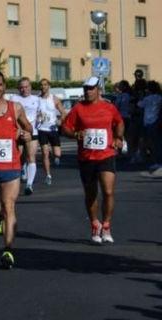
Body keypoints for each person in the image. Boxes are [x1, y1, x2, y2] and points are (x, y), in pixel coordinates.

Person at [62, 76, 124, 244]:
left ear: (98, 90)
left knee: (108, 191)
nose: (88, 91)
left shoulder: (109, 107)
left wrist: (118, 137)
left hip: (106, 155)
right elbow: (65, 127)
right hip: (86, 157)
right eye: (85, 89)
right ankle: (94, 223)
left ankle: (106, 225)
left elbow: (119, 122)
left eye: (91, 88)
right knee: (91, 194)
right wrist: (75, 134)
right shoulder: (78, 108)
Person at [0, 71, 33, 269]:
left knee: (9, 205)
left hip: (11, 165)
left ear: (4, 86)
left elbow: (28, 128)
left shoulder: (15, 108)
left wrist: (26, 135)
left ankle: (8, 250)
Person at [9, 77, 40, 195]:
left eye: (26, 87)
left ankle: (29, 185)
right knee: (20, 156)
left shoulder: (36, 99)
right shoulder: (14, 99)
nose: (24, 89)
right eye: (21, 87)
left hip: (33, 132)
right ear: (18, 88)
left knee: (31, 156)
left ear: (30, 87)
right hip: (18, 131)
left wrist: (40, 119)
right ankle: (22, 170)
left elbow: (39, 114)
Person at [37, 79, 68, 185]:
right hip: (42, 129)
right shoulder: (37, 99)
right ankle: (48, 175)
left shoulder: (54, 99)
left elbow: (63, 113)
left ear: (49, 86)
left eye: (45, 85)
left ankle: (56, 157)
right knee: (45, 153)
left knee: (57, 154)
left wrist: (60, 120)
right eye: (41, 85)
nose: (43, 87)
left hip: (53, 129)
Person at [137, 81, 162, 170]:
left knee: (153, 144)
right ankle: (158, 161)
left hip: (148, 122)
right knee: (158, 143)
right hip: (156, 121)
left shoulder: (147, 98)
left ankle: (157, 162)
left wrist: (141, 96)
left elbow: (139, 104)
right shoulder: (160, 98)